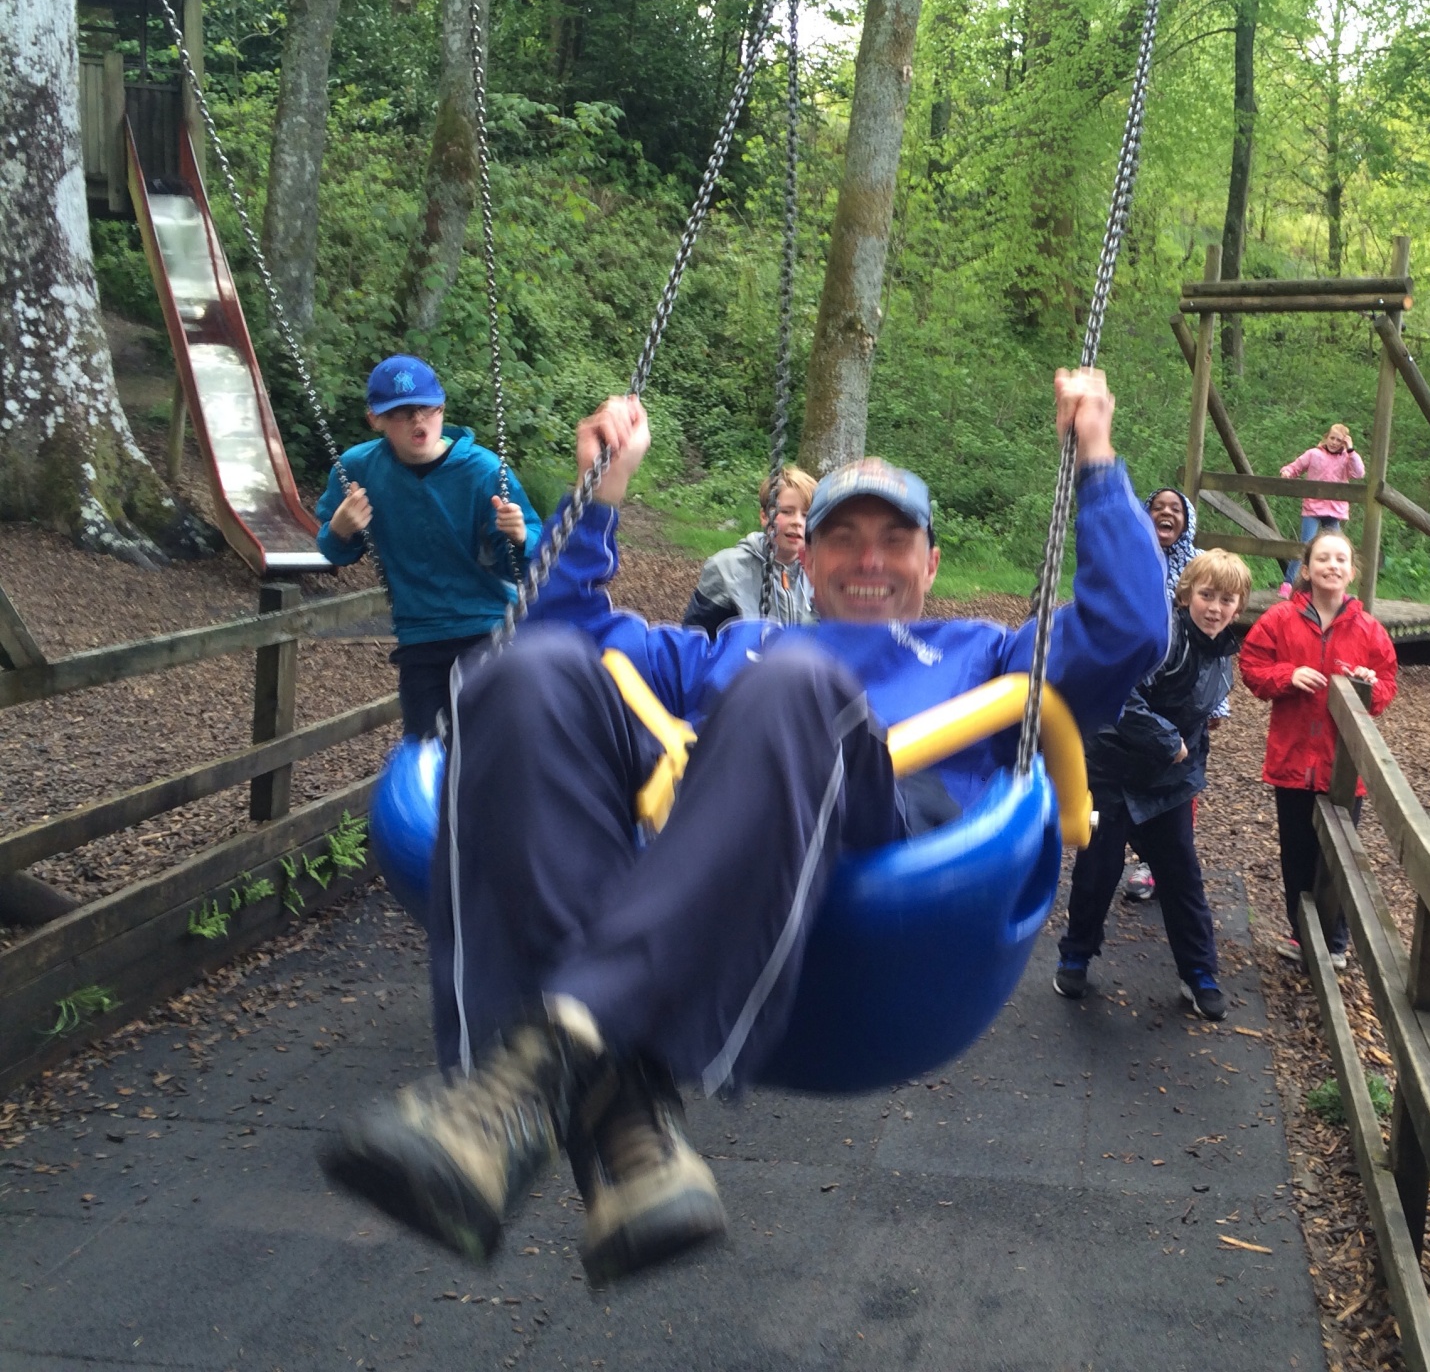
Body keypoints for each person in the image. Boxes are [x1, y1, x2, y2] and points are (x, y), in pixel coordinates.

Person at [320, 368, 1169, 1285]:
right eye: (844, 538)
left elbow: (1129, 629)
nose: (870, 559)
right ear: (805, 560)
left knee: (795, 688)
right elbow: (547, 637)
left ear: (931, 563)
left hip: (893, 856)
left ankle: (536, 1072)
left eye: (896, 539)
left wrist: (1095, 455)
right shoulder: (738, 642)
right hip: (712, 849)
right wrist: (600, 495)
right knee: (518, 681)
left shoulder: (988, 653)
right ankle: (614, 1116)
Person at [1053, 548, 1251, 1021]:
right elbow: (1122, 696)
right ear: (1186, 596)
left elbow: (1199, 722)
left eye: (1227, 600)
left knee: (1181, 874)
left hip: (1168, 782)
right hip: (1115, 768)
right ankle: (1075, 955)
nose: (1215, 607)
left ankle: (1199, 972)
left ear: (1238, 608)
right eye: (1206, 595)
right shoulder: (1162, 641)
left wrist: (1188, 764)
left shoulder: (1222, 653)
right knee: (1098, 868)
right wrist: (1168, 741)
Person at [314, 354, 541, 740]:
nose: (418, 421)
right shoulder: (359, 468)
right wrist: (339, 530)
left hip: (485, 627)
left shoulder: (484, 471)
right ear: (376, 420)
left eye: (426, 409)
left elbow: (525, 564)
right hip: (420, 637)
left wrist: (520, 537)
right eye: (402, 413)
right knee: (425, 752)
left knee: (489, 748)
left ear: (442, 407)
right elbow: (337, 553)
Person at [1239, 527, 1397, 968]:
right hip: (1291, 761)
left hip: (1343, 766)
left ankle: (1336, 940)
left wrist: (1368, 685)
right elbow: (1252, 666)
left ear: (1352, 572)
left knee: (1342, 855)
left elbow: (1386, 685)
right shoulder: (1280, 620)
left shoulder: (1368, 629)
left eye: (1340, 559)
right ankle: (1299, 932)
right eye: (1322, 558)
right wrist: (1287, 676)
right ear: (1305, 570)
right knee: (1297, 851)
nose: (1332, 565)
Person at [1124, 486, 1200, 903]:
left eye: (1176, 509)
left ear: (1186, 520)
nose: (1166, 513)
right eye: (1158, 507)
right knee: (1130, 767)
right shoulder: (1133, 555)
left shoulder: (1198, 563)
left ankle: (1162, 861)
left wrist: (1218, 700)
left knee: (1180, 773)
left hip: (1184, 685)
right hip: (1138, 676)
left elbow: (1217, 631)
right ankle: (1136, 852)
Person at [681, 465, 818, 631]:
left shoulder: (819, 574)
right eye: (787, 512)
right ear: (764, 516)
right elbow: (696, 640)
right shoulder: (727, 569)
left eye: (805, 515)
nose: (797, 522)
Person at [1278, 424, 1365, 591]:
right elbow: (1296, 466)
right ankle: (1288, 583)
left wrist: (1351, 450)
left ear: (1344, 442)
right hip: (1313, 507)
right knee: (1305, 545)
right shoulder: (1314, 454)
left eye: (1339, 440)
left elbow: (1359, 473)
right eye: (1332, 438)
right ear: (1326, 437)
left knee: (1337, 547)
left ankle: (1336, 584)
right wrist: (1287, 472)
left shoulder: (1347, 458)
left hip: (1334, 510)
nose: (1334, 442)